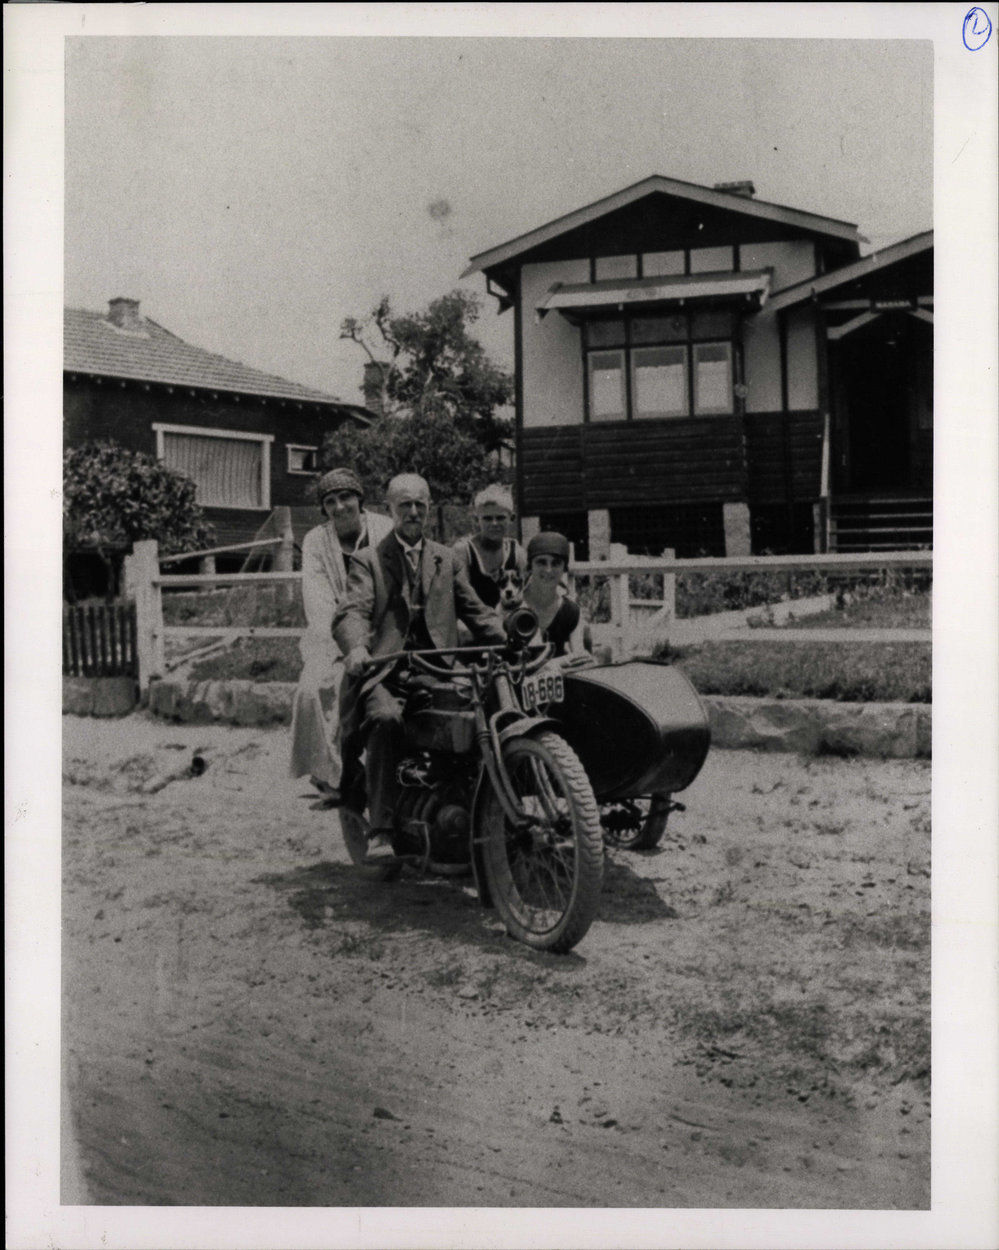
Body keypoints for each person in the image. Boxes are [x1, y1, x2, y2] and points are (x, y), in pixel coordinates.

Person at [333, 473, 506, 859]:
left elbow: (477, 611)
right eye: (405, 504)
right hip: (385, 669)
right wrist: (357, 647)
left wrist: (510, 638)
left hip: (438, 668)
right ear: (389, 509)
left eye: (420, 504)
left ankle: (474, 809)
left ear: (429, 508)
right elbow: (352, 612)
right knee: (385, 719)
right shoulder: (368, 560)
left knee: (475, 718)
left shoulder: (448, 558)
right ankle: (380, 830)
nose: (413, 512)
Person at [289, 467, 394, 806]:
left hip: (387, 630)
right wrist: (349, 644)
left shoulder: (385, 529)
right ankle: (331, 775)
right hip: (333, 635)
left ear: (360, 501)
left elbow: (395, 589)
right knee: (314, 688)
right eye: (330, 502)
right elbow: (317, 601)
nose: (339, 507)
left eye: (346, 497)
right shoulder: (316, 541)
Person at [521, 531, 593, 667]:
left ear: (564, 568)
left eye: (556, 563)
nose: (548, 570)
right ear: (530, 566)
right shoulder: (514, 606)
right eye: (541, 562)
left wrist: (559, 663)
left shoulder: (570, 610)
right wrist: (563, 661)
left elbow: (580, 658)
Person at [451, 484, 527, 610]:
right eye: (487, 518)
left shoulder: (517, 551)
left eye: (500, 518)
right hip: (473, 623)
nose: (494, 524)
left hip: (508, 620)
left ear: (511, 518)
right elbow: (460, 598)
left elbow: (527, 592)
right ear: (476, 520)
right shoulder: (463, 551)